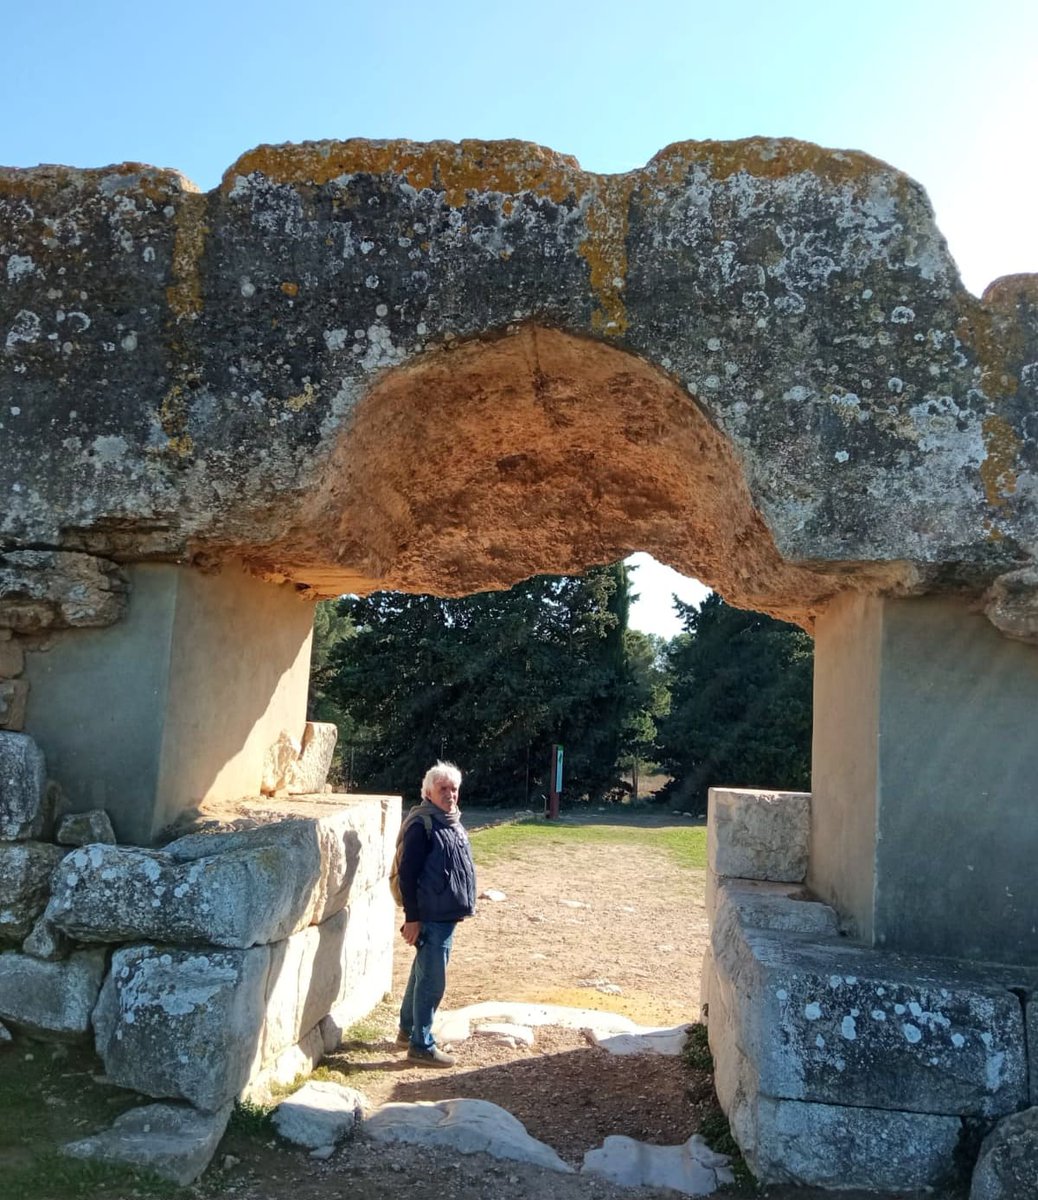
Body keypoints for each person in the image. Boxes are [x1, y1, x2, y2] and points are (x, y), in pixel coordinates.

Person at [396, 760, 477, 1067]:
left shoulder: (450, 820)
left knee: (422, 973)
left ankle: (407, 1030)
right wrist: (412, 918)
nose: (450, 794)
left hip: (445, 914)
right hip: (430, 915)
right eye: (443, 789)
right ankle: (421, 1045)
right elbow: (407, 874)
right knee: (432, 981)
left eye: (453, 789)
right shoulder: (423, 824)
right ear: (428, 792)